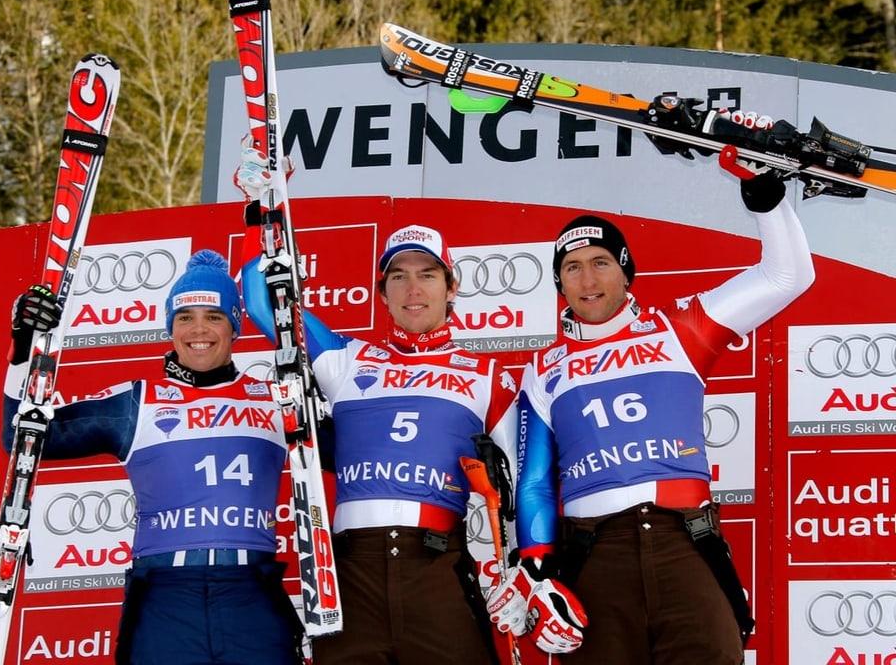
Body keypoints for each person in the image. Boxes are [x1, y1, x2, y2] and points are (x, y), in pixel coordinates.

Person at [487, 141, 816, 663]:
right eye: (572, 268)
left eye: (599, 263)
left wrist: (764, 194)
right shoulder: (543, 369)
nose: (588, 279)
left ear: (625, 270)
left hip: (684, 542)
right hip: (594, 556)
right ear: (558, 283)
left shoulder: (680, 329)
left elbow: (787, 276)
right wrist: (537, 569)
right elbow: (532, 482)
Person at [235, 152, 520, 665]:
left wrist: (522, 572)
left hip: (438, 565)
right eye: (398, 277)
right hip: (350, 574)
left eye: (428, 275)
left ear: (451, 287)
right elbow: (261, 298)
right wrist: (265, 209)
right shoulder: (346, 360)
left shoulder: (488, 376)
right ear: (381, 292)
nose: (413, 289)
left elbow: (525, 485)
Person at [2, 250, 305, 665]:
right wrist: (23, 351)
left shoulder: (277, 399)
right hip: (165, 594)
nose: (199, 329)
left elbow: (351, 449)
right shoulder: (137, 402)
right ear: (170, 328)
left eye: (214, 316)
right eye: (185, 318)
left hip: (250, 591)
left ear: (234, 326)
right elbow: (22, 439)